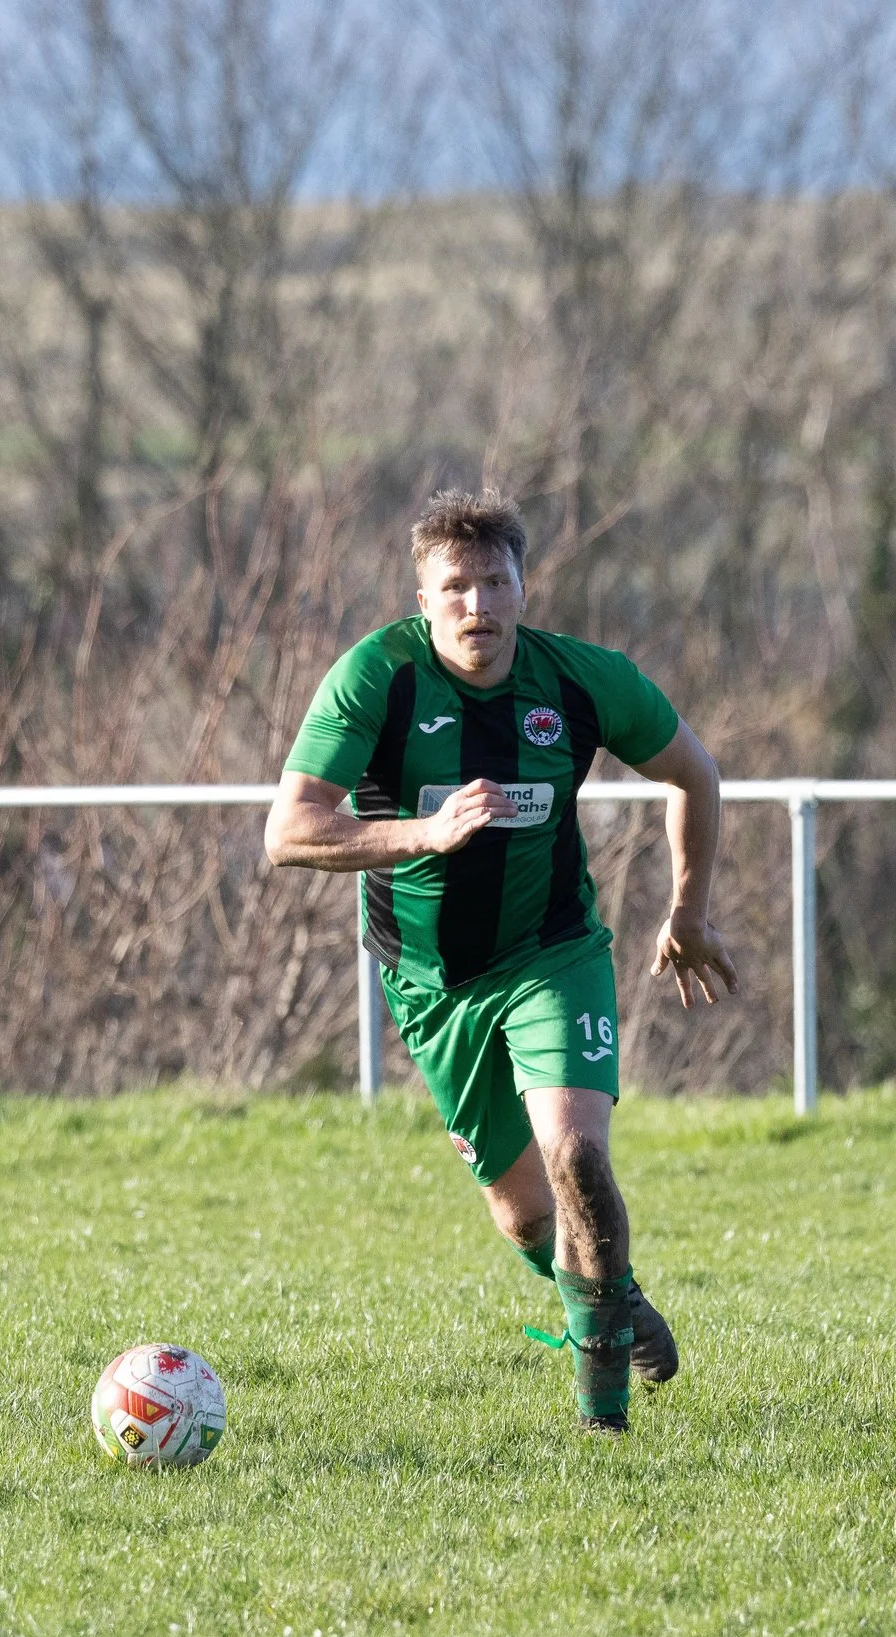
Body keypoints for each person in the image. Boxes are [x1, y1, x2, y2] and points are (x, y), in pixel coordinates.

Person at [264, 488, 740, 1433]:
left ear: (525, 585)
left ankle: (604, 1425)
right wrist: (422, 832)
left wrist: (687, 910)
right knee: (526, 1220)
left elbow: (694, 771)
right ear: (422, 596)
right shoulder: (379, 680)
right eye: (455, 588)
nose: (477, 605)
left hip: (550, 953)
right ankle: (618, 1301)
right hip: (431, 985)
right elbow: (290, 832)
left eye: (494, 582)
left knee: (578, 1155)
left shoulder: (581, 682)